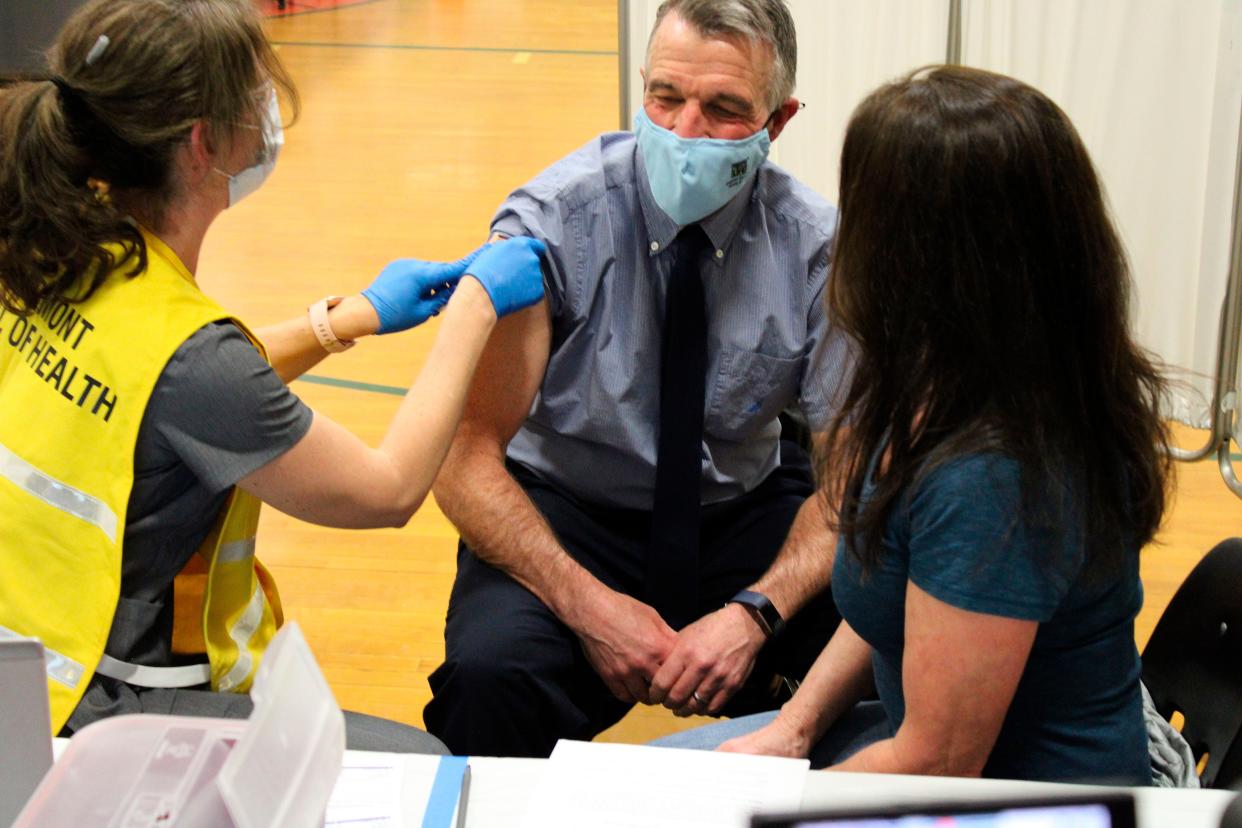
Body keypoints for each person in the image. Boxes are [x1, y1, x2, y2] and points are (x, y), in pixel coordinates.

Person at [0, 0, 545, 752]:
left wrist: (341, 321)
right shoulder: (194, 357)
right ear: (201, 143)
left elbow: (168, 387)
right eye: (251, 95)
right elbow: (384, 491)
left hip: (38, 670)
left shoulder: (53, 252)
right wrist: (472, 314)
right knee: (427, 764)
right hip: (117, 715)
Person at [660, 65, 1171, 784]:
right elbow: (892, 608)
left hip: (1015, 796)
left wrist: (754, 810)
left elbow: (940, 762)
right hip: (925, 751)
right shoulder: (945, 375)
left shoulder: (994, 476)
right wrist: (792, 729)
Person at [424, 0, 852, 757]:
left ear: (777, 122)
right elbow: (463, 460)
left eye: (723, 109)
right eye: (665, 97)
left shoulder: (817, 249)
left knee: (881, 646)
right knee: (490, 679)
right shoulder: (553, 225)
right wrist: (586, 606)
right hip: (572, 510)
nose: (684, 131)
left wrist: (758, 611)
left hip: (739, 508)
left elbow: (849, 480)